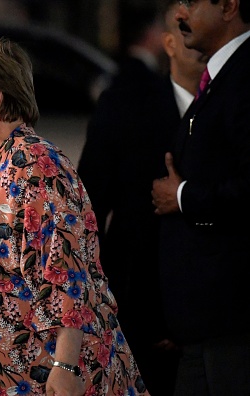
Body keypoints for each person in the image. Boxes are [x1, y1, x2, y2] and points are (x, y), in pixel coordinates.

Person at [0, 36, 150, 396]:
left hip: (62, 377)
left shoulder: (36, 166)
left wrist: (65, 366)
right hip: (18, 380)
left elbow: (69, 274)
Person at [76, 1, 208, 394]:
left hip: (217, 316)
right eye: (185, 31)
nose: (199, 42)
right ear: (167, 43)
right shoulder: (125, 106)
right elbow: (89, 209)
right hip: (136, 310)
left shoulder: (233, 109)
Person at [151, 0, 250, 394]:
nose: (180, 14)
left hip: (234, 322)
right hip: (203, 326)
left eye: (191, 2)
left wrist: (182, 196)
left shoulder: (244, 77)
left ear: (228, 6)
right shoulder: (220, 76)